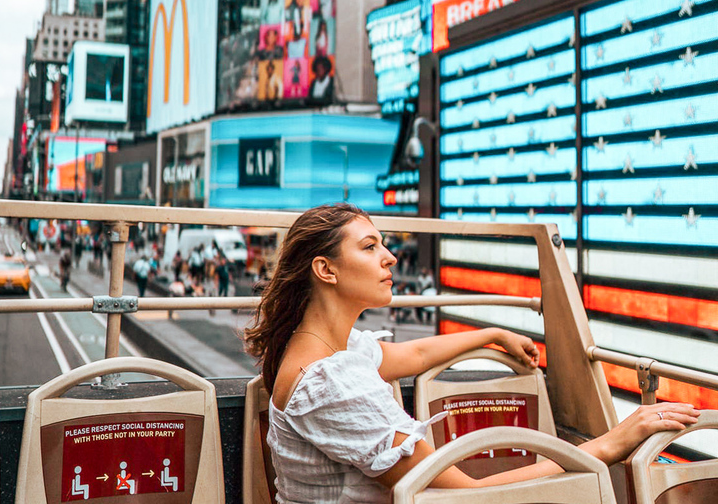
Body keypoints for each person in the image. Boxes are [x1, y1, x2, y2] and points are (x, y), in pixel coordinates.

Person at [244, 203, 700, 503]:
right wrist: (607, 445)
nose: (391, 258)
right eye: (369, 247)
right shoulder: (333, 384)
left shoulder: (326, 350)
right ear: (325, 270)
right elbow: (462, 495)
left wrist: (492, 334)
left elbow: (415, 352)